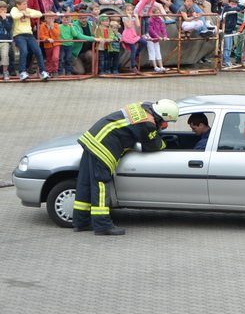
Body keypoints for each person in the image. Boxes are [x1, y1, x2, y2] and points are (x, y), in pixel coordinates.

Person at [73, 99, 179, 236]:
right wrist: (165, 143)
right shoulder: (147, 124)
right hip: (103, 146)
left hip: (93, 138)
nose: (165, 126)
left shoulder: (143, 107)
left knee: (85, 183)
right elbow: (152, 146)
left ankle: (81, 222)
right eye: (166, 122)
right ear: (161, 116)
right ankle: (102, 225)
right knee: (101, 185)